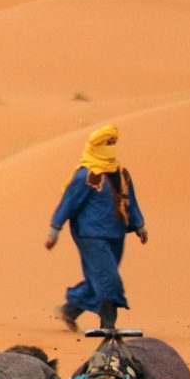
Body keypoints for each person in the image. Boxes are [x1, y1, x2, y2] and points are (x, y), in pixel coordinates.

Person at [46, 123, 148, 332]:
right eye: (106, 143)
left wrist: (139, 226)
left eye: (113, 143)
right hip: (90, 235)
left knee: (99, 277)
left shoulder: (121, 173)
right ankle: (108, 325)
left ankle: (70, 309)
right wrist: (54, 230)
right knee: (108, 278)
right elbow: (69, 202)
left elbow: (131, 201)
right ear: (96, 146)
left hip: (116, 233)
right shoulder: (86, 176)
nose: (111, 147)